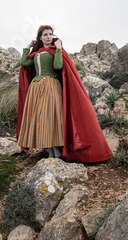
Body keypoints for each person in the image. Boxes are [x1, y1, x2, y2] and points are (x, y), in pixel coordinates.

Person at [17, 25, 112, 162]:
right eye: (45, 34)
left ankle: (55, 151)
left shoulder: (55, 51)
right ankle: (51, 150)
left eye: (50, 34)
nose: (49, 36)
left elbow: (58, 66)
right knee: (41, 118)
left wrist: (59, 48)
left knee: (51, 117)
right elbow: (24, 63)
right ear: (40, 38)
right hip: (36, 88)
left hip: (51, 86)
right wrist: (28, 47)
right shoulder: (36, 53)